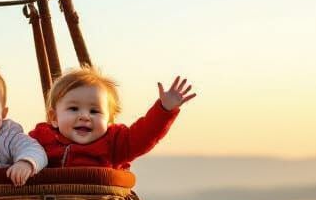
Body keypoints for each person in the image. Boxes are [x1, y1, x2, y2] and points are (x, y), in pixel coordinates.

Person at [29, 69, 195, 169]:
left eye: (95, 111)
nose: (84, 116)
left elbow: (144, 136)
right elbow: (17, 151)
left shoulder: (114, 143)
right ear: (54, 118)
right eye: (73, 109)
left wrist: (164, 109)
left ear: (109, 121)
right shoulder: (41, 139)